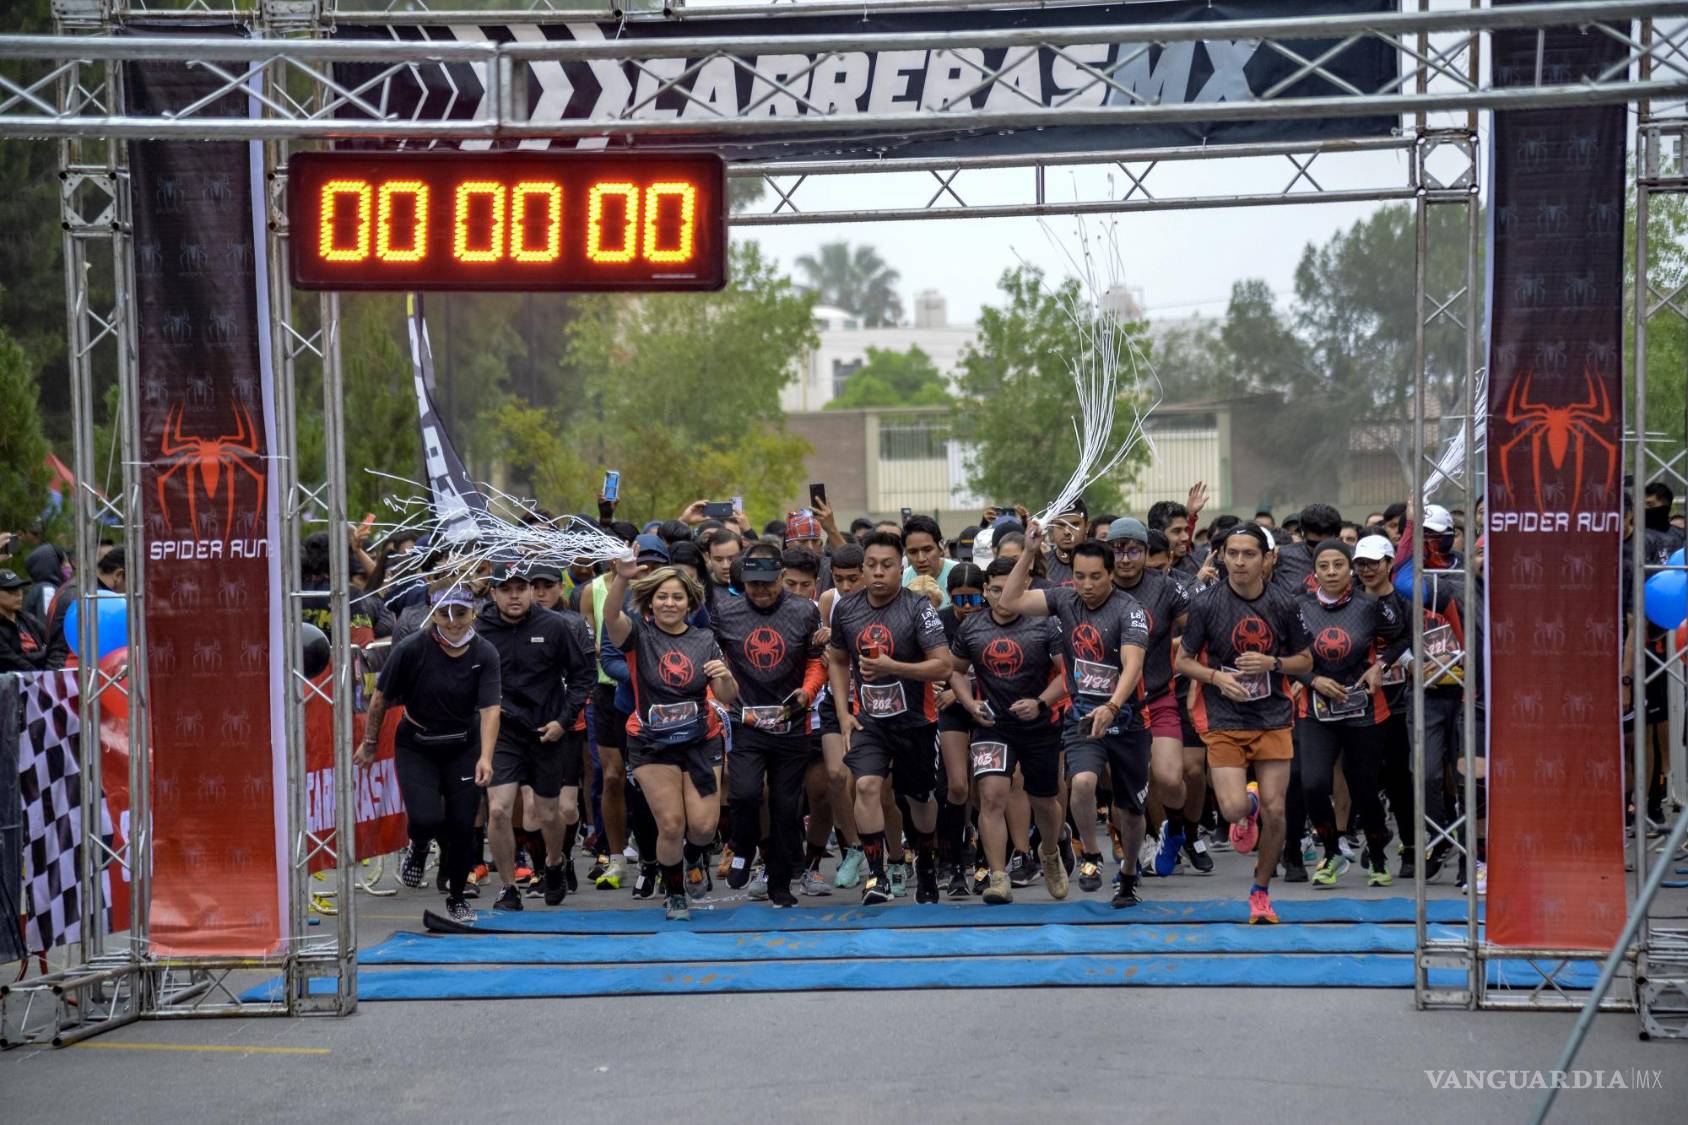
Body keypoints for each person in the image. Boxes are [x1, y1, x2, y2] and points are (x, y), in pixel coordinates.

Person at [1001, 527, 1152, 908]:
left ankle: (1130, 873)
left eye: (1096, 577)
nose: (1086, 585)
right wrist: (1029, 553)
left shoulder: (1129, 611)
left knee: (1131, 810)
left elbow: (1133, 664)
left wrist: (1113, 705)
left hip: (1127, 717)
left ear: (1112, 574)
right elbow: (1011, 599)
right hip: (1082, 714)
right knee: (1082, 782)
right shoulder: (1066, 600)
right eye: (1080, 576)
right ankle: (1090, 854)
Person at [1175, 524, 1314, 924]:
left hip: (1272, 715)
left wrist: (1273, 663)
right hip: (1225, 715)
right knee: (1236, 807)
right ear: (1222, 557)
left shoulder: (1285, 604)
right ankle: (1246, 805)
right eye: (1232, 553)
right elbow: (1183, 662)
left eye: (1248, 554)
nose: (1239, 561)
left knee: (1278, 811)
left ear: (1267, 559)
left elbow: (1306, 662)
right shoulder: (1206, 604)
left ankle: (1260, 892)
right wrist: (1217, 678)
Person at [603, 558, 737, 922]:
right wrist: (621, 578)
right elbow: (611, 617)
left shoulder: (704, 639)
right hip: (651, 741)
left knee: (704, 826)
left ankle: (696, 857)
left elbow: (727, 693)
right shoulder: (638, 637)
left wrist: (723, 674)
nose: (669, 603)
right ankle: (675, 893)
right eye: (662, 597)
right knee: (672, 825)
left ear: (690, 604)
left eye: (678, 597)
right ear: (650, 602)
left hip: (701, 738)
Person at [359, 585, 501, 924]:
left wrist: (486, 757)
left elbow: (491, 709)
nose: (453, 622)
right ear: (433, 614)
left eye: (461, 614)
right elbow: (379, 698)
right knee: (425, 818)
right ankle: (419, 846)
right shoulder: (412, 648)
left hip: (463, 744)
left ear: (474, 614)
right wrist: (369, 743)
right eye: (444, 614)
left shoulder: (485, 653)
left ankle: (456, 896)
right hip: (417, 742)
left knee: (462, 825)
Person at [829, 529, 951, 905]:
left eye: (886, 566)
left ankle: (926, 864)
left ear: (901, 569)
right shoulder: (847, 609)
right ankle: (877, 876)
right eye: (871, 565)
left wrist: (894, 667)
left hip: (915, 720)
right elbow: (836, 658)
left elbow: (943, 665)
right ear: (862, 568)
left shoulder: (918, 608)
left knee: (919, 799)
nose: (878, 573)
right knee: (866, 786)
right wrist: (844, 712)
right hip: (870, 721)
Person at [949, 556, 1070, 903]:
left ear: (1025, 588)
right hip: (993, 725)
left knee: (1044, 801)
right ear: (985, 591)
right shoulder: (971, 628)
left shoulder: (1045, 625)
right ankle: (998, 876)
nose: (1003, 597)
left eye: (1010, 589)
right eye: (996, 589)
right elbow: (955, 670)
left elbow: (1068, 675)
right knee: (991, 795)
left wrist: (1041, 703)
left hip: (1039, 724)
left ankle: (1050, 854)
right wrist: (969, 703)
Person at [710, 543, 825, 907]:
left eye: (768, 585)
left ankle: (780, 882)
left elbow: (817, 661)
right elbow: (709, 659)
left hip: (791, 724)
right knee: (744, 793)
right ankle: (741, 848)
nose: (760, 592)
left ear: (780, 579)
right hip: (745, 720)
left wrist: (807, 693)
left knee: (785, 805)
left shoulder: (804, 610)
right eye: (753, 585)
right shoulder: (725, 613)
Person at [478, 560, 596, 910]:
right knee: (498, 810)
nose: (514, 596)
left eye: (521, 588)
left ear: (531, 591)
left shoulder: (556, 626)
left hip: (546, 730)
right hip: (501, 732)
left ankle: (555, 863)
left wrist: (563, 720)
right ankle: (508, 886)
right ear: (494, 592)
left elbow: (583, 676)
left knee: (548, 813)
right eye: (506, 589)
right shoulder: (479, 629)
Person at [1295, 540, 1405, 888]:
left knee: (1364, 788)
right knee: (1312, 784)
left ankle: (1377, 852)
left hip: (1365, 711)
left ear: (1350, 569)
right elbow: (1285, 655)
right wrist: (1313, 679)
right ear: (1315, 572)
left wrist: (1381, 666)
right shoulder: (1298, 607)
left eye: (1338, 565)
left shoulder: (1371, 605)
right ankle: (1332, 852)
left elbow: (1404, 638)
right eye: (1324, 566)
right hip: (1315, 709)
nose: (1331, 572)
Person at [1107, 519, 1208, 877]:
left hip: (1159, 696)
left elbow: (1197, 627)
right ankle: (1133, 857)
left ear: (1146, 554)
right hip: (1112, 705)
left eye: (1133, 550)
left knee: (1169, 778)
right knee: (1127, 791)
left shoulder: (1165, 588)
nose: (1125, 558)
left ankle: (1176, 829)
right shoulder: (1094, 587)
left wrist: (1190, 663)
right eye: (1117, 550)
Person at [578, 527, 658, 890]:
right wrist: (639, 676)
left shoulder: (670, 599)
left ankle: (656, 857)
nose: (646, 571)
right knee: (612, 777)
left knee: (647, 781)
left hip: (660, 701)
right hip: (613, 696)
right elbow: (605, 654)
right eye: (640, 564)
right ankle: (613, 856)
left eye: (653, 565)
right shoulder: (604, 595)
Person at [815, 542, 869, 887]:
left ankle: (892, 849)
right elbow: (828, 652)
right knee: (835, 776)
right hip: (837, 699)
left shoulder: (880, 602)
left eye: (853, 579)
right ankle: (853, 846)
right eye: (840, 579)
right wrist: (825, 648)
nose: (847, 587)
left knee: (869, 785)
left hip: (873, 702)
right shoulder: (829, 601)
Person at [934, 562, 988, 896]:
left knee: (986, 789)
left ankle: (983, 862)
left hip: (986, 706)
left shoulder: (994, 618)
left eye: (974, 600)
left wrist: (962, 687)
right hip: (950, 710)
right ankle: (951, 864)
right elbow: (932, 663)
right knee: (956, 787)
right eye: (959, 600)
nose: (967, 608)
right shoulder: (939, 622)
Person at [1271, 502, 1340, 596]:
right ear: (1303, 534)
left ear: (1336, 536)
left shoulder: (1351, 557)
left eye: (1325, 544)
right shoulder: (1283, 556)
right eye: (1313, 544)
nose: (1319, 549)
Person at [0, 570, 53, 672]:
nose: (19, 594)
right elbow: (10, 660)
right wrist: (40, 675)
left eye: (19, 589)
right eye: (10, 590)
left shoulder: (27, 619)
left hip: (38, 677)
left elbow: (53, 643)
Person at [900, 515, 957, 607]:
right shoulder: (902, 581)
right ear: (905, 553)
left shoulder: (959, 574)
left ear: (941, 547)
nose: (921, 559)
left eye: (927, 550)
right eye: (913, 552)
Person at [1043, 500, 1087, 587]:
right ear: (1052, 528)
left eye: (1074, 525)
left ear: (1087, 527)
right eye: (1060, 525)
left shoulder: (1101, 563)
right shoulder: (1041, 565)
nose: (1067, 532)